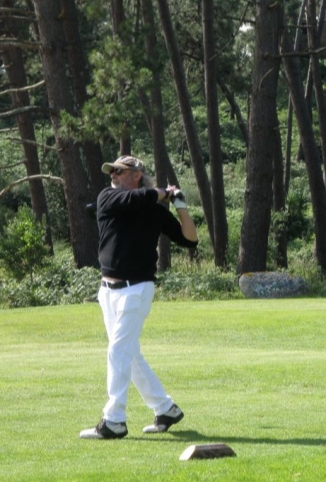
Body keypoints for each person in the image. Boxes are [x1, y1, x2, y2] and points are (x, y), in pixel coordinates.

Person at [80, 155, 199, 439]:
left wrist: (179, 205)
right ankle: (166, 408)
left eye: (119, 171)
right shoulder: (109, 198)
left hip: (137, 289)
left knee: (118, 351)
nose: (114, 175)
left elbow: (190, 239)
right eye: (112, 171)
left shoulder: (154, 212)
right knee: (129, 355)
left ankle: (114, 420)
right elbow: (135, 200)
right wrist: (164, 193)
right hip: (107, 292)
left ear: (136, 175)